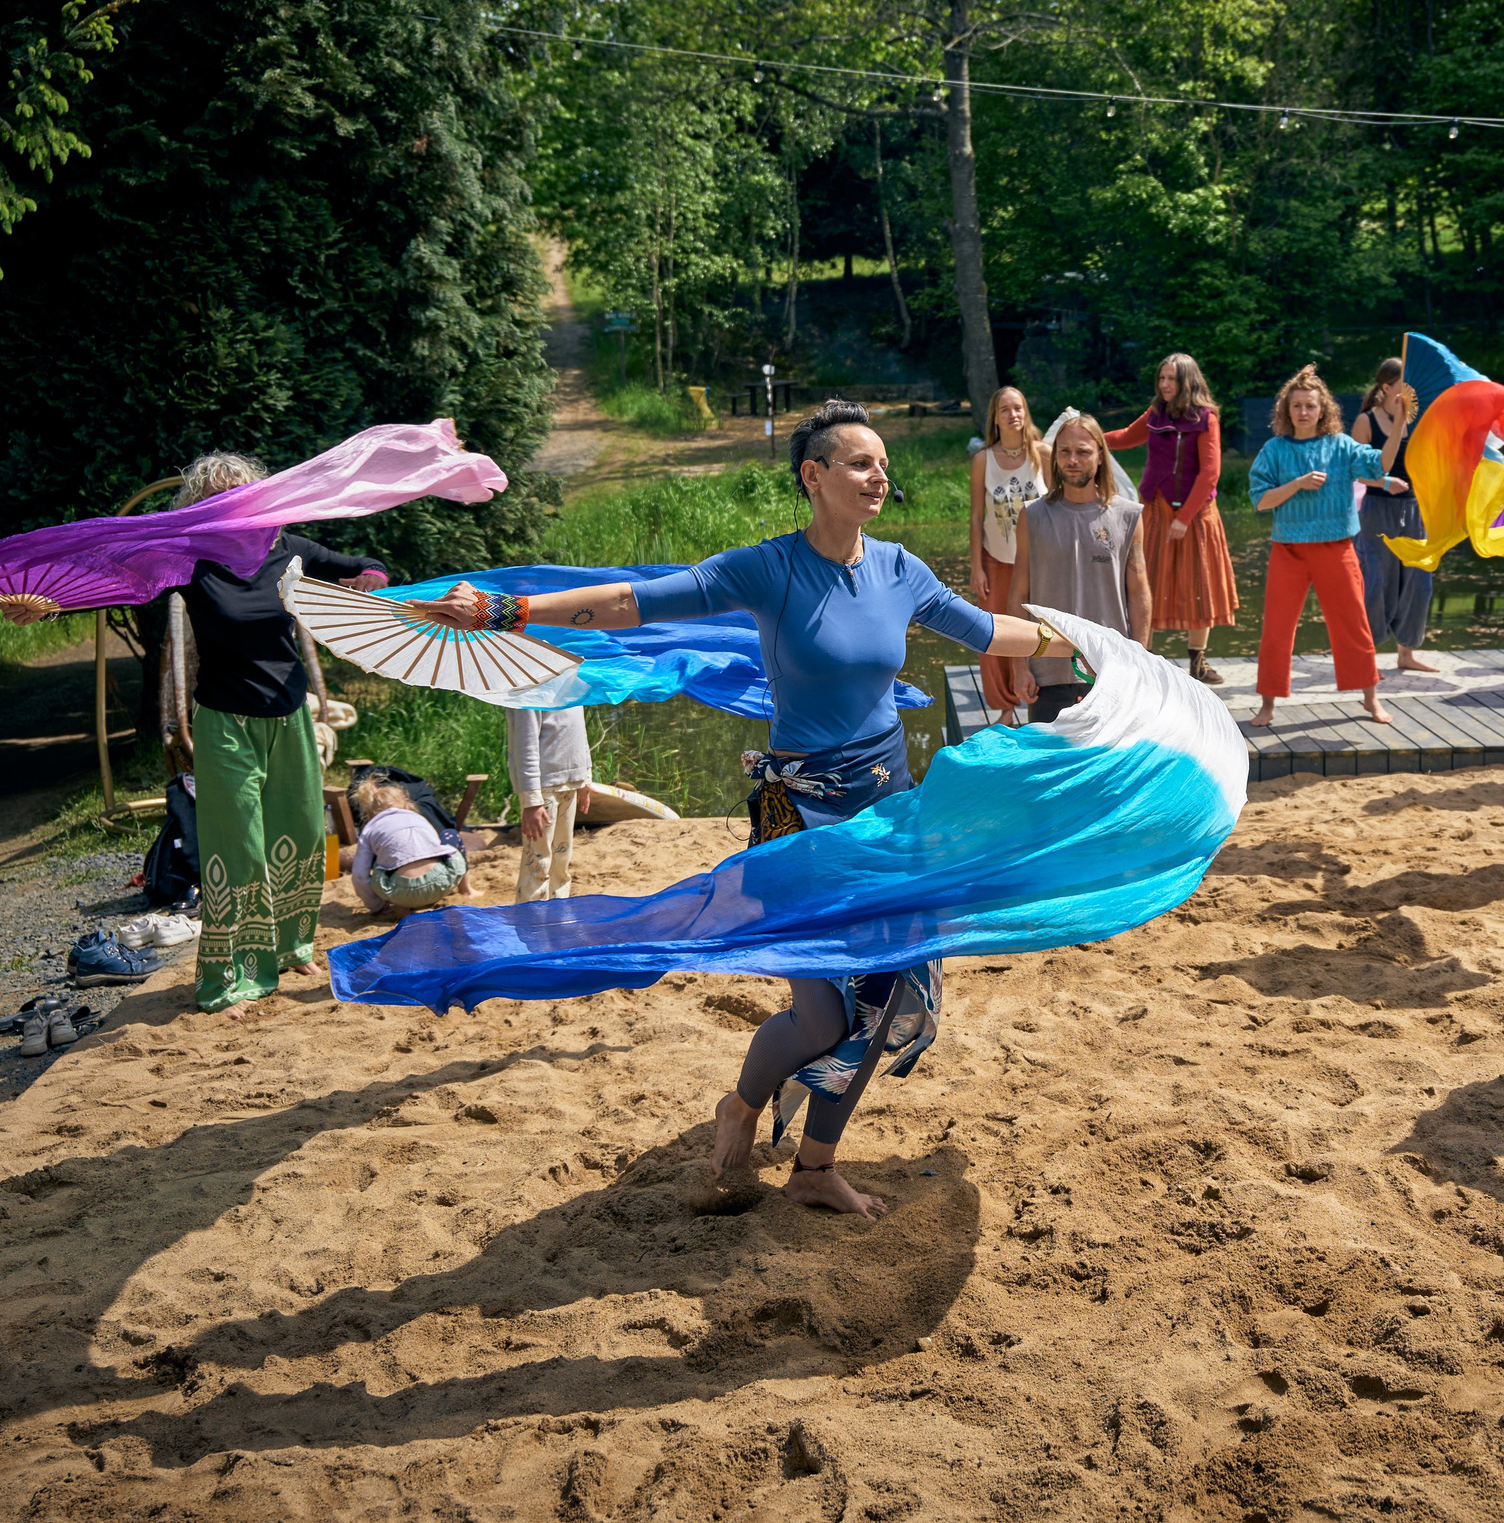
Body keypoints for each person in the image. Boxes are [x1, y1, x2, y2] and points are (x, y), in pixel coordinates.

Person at [409, 401, 1076, 1219]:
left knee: (891, 993)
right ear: (814, 477)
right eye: (861, 464)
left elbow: (986, 631)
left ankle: (816, 1167)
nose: (880, 477)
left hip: (884, 813)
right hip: (797, 815)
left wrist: (1078, 643)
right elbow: (638, 601)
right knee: (821, 1013)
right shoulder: (770, 569)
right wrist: (505, 611)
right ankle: (744, 1103)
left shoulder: (900, 569)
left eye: (883, 465)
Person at [159, 453, 389, 1016]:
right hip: (225, 725)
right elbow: (113, 578)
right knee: (237, 849)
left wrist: (368, 581)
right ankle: (228, 976)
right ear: (200, 507)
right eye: (222, 496)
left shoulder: (288, 549)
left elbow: (367, 563)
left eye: (247, 493)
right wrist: (40, 606)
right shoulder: (188, 560)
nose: (239, 504)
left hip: (290, 720)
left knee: (303, 834)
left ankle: (291, 947)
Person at [1247, 364, 1407, 728]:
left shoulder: (1340, 446)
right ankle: (1268, 705)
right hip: (1288, 551)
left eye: (1311, 406)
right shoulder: (1274, 450)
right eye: (1297, 405)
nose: (1304, 412)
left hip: (1336, 549)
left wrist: (1398, 422)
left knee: (1353, 624)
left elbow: (1381, 463)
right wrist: (1296, 484)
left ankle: (1370, 699)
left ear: (1324, 410)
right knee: (1276, 629)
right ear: (1287, 410)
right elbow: (1260, 501)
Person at [1105, 353, 1236, 685]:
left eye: (1171, 379)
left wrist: (1185, 518)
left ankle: (1198, 662)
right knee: (1147, 582)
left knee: (1199, 586)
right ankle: (1143, 658)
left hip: (1196, 515)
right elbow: (1123, 438)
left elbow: (1210, 474)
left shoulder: (1207, 419)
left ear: (1187, 382)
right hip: (1156, 510)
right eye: (1161, 378)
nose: (1164, 385)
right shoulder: (1155, 414)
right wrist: (1086, 435)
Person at [1010, 411, 1150, 722]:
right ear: (1055, 456)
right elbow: (1019, 591)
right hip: (1047, 671)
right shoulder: (1032, 516)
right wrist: (1019, 666)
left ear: (1101, 456)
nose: (1073, 459)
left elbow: (1140, 593)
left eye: (1083, 451)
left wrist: (1139, 661)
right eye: (1065, 451)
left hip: (1110, 670)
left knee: (1111, 768)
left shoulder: (1128, 517)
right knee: (1049, 768)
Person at [1350, 358, 1437, 673]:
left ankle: (1406, 653)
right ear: (1387, 387)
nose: (1410, 390)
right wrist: (1385, 482)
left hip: (1414, 510)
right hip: (1377, 509)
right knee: (1377, 583)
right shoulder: (1366, 421)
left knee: (1420, 583)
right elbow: (1359, 473)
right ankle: (1367, 658)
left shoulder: (1420, 420)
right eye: (1404, 383)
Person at [967, 386, 1047, 726]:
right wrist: (976, 567)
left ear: (1025, 412)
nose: (1013, 414)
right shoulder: (983, 459)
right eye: (1005, 409)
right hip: (996, 560)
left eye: (1018, 408)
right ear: (995, 418)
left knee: (1041, 629)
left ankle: (1046, 699)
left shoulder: (1044, 453)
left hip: (1040, 562)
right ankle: (1004, 708)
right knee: (996, 632)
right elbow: (975, 516)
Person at [505, 705, 593, 903]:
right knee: (537, 864)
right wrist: (532, 801)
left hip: (571, 782)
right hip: (543, 788)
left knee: (561, 863)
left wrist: (585, 777)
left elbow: (580, 732)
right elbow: (524, 745)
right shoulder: (530, 690)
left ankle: (557, 916)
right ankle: (531, 924)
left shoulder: (571, 683)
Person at [349, 779, 474, 914]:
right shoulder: (419, 818)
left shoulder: (370, 829)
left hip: (400, 893)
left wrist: (376, 905)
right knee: (450, 835)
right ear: (407, 805)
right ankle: (466, 890)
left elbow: (359, 876)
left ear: (369, 814)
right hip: (442, 883)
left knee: (382, 861)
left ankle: (401, 908)